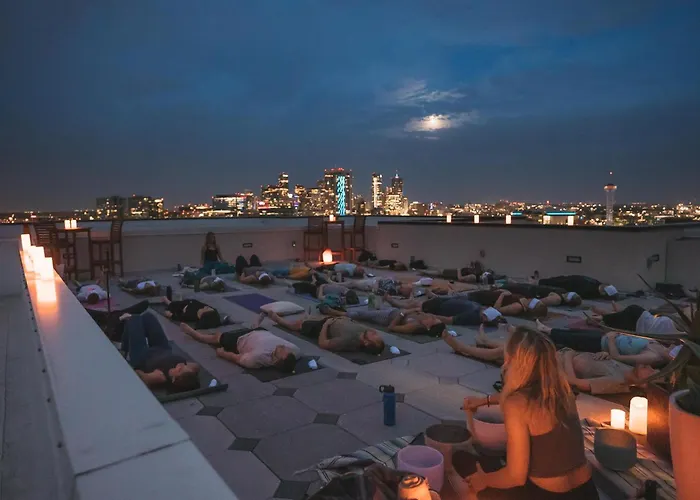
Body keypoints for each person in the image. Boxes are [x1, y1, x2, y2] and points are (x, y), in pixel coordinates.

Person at [456, 327, 599, 499]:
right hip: (587, 492)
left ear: (513, 361)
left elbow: (515, 477)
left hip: (547, 496)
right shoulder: (562, 391)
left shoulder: (515, 404)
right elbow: (529, 400)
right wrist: (484, 400)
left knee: (462, 460)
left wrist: (484, 480)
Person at [444, 325, 658, 396]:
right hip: (559, 354)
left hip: (553, 363)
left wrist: (569, 355)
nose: (647, 365)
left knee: (507, 352)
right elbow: (598, 361)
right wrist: (605, 355)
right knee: (517, 344)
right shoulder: (623, 368)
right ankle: (485, 341)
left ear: (645, 383)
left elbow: (573, 383)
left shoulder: (617, 382)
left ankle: (464, 348)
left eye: (650, 370)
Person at [535, 319, 678, 367]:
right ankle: (548, 330)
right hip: (608, 337)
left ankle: (543, 334)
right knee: (574, 332)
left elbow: (618, 358)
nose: (671, 346)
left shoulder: (652, 357)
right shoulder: (660, 346)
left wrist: (610, 340)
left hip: (602, 344)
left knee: (571, 339)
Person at [120, 312, 200, 392]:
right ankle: (125, 340)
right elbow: (196, 366)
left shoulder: (160, 377)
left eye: (180, 369)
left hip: (143, 357)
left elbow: (137, 374)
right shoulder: (186, 369)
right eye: (183, 366)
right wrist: (188, 369)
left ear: (174, 379)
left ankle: (124, 347)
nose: (180, 365)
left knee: (134, 319)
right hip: (163, 349)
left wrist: (147, 376)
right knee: (148, 317)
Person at [180, 323, 299, 372]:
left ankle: (197, 335)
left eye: (281, 350)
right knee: (258, 327)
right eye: (286, 350)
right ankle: (256, 324)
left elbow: (236, 358)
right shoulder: (294, 351)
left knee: (217, 336)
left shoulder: (256, 358)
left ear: (275, 360)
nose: (283, 346)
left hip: (241, 339)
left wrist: (222, 354)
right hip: (262, 331)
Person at [263, 311, 385, 354]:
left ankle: (279, 320)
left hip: (322, 325)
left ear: (366, 343)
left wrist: (326, 324)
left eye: (374, 336)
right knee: (307, 317)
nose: (375, 333)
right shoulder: (365, 331)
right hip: (332, 319)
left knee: (297, 325)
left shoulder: (348, 341)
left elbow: (323, 343)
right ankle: (307, 317)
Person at [385, 293, 505, 326]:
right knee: (416, 302)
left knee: (416, 305)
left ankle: (394, 303)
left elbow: (449, 320)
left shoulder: (472, 316)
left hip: (439, 307)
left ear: (484, 317)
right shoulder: (479, 309)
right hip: (444, 301)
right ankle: (396, 302)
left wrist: (431, 316)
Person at [323, 306, 447, 336]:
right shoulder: (424, 318)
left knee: (361, 314)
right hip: (393, 310)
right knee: (367, 310)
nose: (431, 318)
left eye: (433, 320)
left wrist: (404, 313)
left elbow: (391, 327)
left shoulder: (413, 327)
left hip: (386, 317)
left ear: (428, 327)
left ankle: (335, 312)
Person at [589, 302, 679, 334]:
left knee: (620, 316)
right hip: (637, 321)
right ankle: (602, 316)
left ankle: (606, 314)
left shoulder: (679, 325)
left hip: (640, 317)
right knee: (611, 319)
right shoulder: (681, 329)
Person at [465, 289, 549, 318]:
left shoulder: (517, 307)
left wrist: (502, 295)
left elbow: (496, 310)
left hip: (478, 299)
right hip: (483, 294)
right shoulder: (524, 300)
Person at [499, 282, 583, 307]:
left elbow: (538, 302)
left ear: (568, 300)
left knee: (505, 287)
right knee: (509, 284)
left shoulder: (556, 299)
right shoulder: (563, 291)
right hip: (532, 287)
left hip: (529, 292)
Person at [536, 274, 618, 300]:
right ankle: (537, 282)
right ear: (603, 293)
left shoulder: (597, 284)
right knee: (553, 282)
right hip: (570, 282)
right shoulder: (589, 290)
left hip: (573, 280)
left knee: (555, 281)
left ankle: (538, 281)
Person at [291, 281, 361, 305]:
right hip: (325, 285)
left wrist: (322, 286)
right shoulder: (345, 290)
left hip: (317, 290)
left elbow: (320, 297)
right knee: (318, 278)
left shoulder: (336, 297)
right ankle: (314, 281)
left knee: (306, 285)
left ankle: (292, 285)